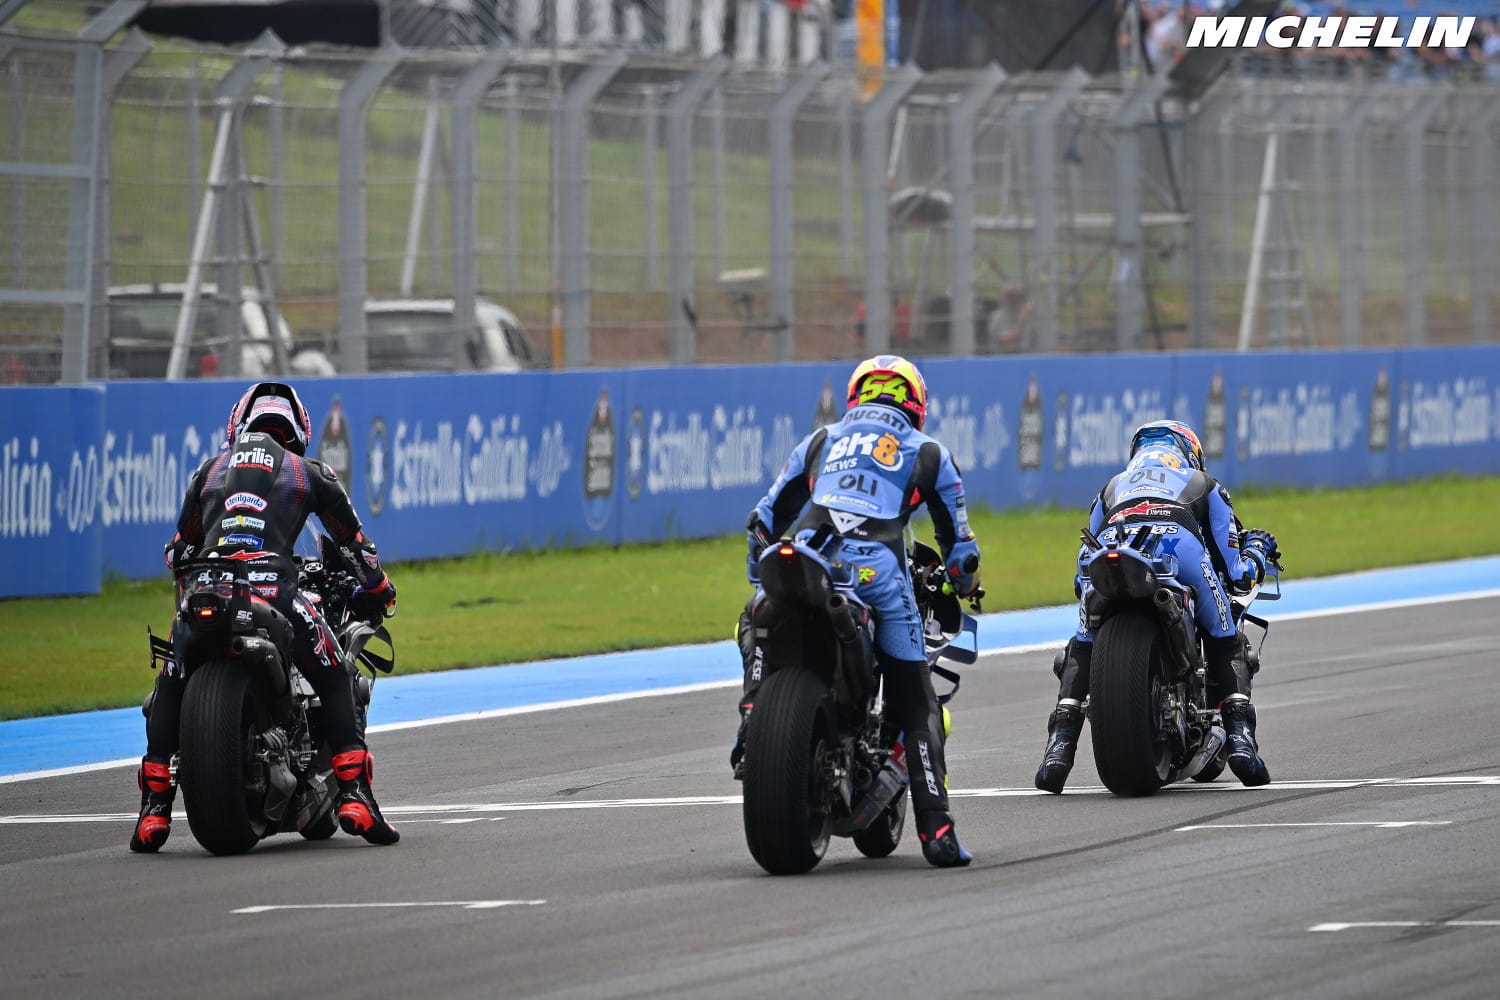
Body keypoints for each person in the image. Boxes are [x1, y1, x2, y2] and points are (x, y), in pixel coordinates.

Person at [733, 355, 982, 868]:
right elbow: (959, 547)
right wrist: (965, 583)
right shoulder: (928, 451)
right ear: (916, 405)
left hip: (806, 557)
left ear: (856, 398)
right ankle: (937, 831)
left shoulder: (822, 441)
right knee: (918, 705)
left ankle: (752, 718)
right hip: (877, 572)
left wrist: (760, 576)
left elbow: (763, 519)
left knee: (754, 616)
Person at [131, 382, 400, 852]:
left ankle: (154, 808)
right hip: (273, 587)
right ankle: (355, 795)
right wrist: (379, 589)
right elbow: (358, 548)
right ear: (298, 429)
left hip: (206, 588)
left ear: (238, 425)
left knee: (169, 681)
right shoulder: (306, 472)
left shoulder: (209, 472)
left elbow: (179, 550)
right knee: (336, 672)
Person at [1033, 419, 1278, 794]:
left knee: (1083, 636)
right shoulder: (1204, 485)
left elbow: (1080, 568)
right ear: (1189, 452)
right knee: (1224, 633)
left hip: (1112, 548)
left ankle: (1059, 745)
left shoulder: (1111, 488)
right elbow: (1238, 573)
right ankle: (1241, 738)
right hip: (1179, 548)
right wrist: (1258, 551)